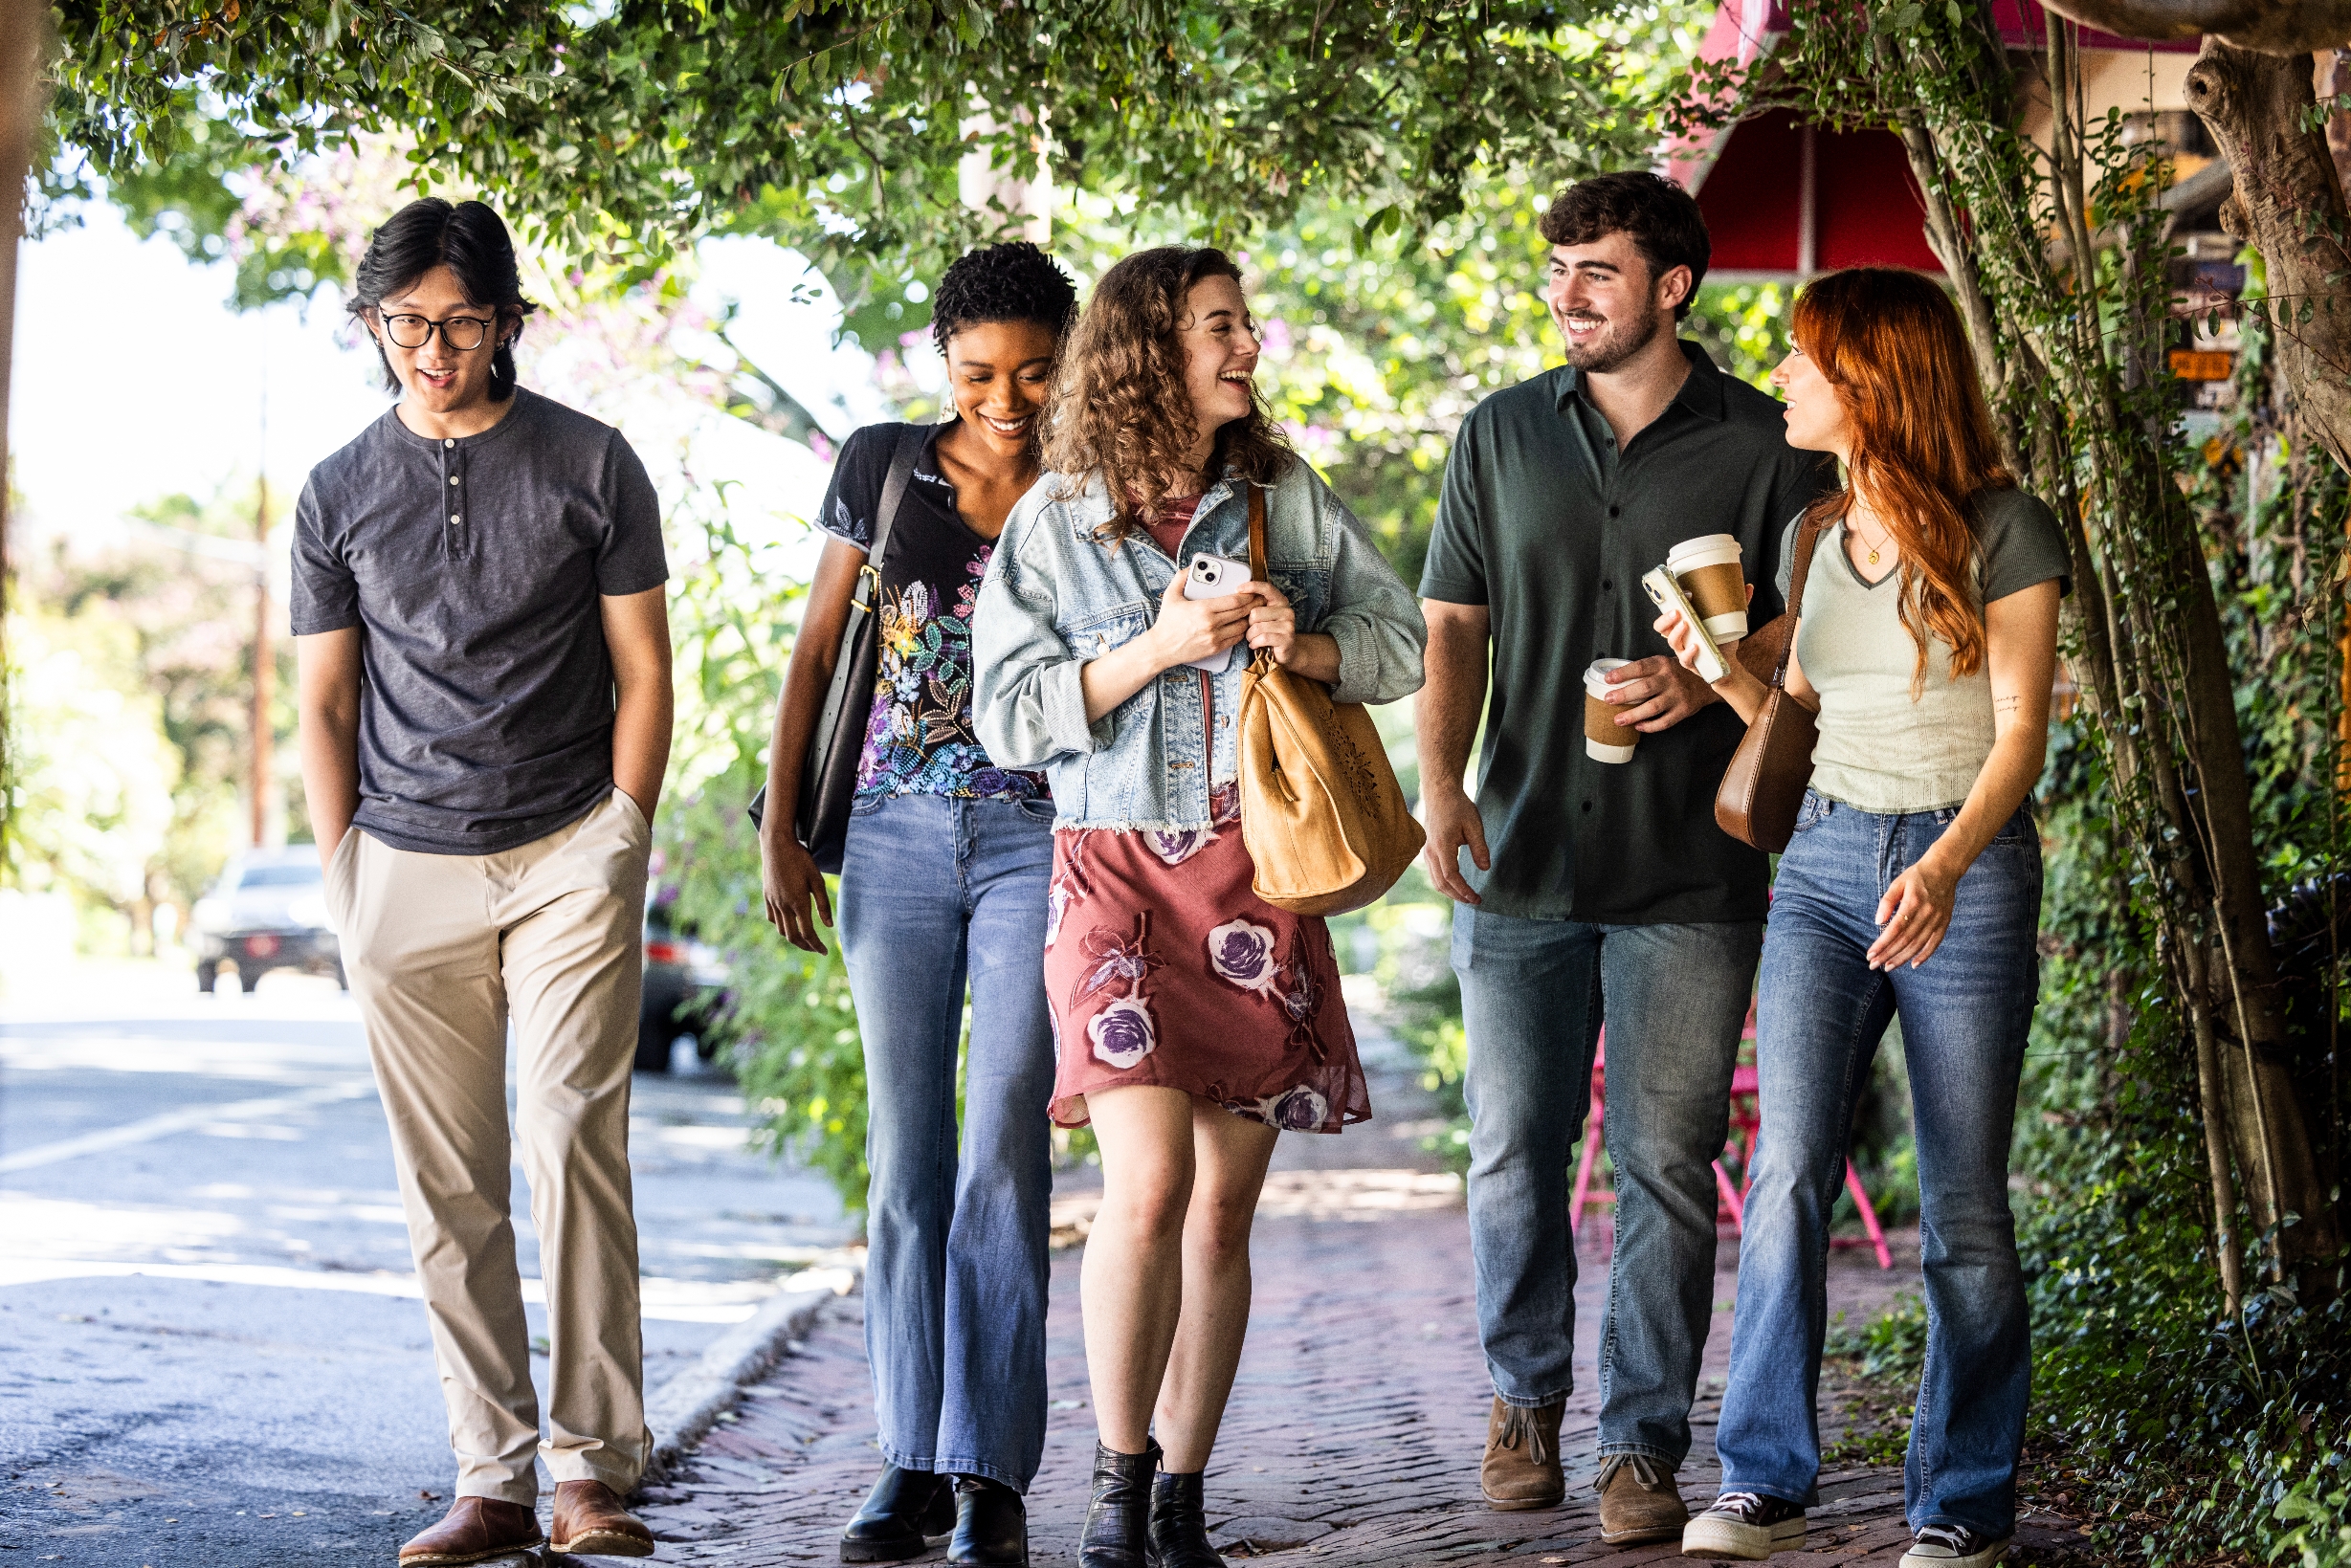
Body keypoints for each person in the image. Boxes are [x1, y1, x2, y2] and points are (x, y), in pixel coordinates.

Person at [971, 246, 1426, 1568]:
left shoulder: (1279, 493)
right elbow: (1006, 716)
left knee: (1223, 1206)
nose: (1249, 346)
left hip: (1254, 871)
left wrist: (1303, 638)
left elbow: (1399, 641)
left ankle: (1180, 1498)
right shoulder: (1055, 519)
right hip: (1113, 869)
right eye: (1221, 326)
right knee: (1151, 1180)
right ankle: (1114, 1495)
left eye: (1243, 324)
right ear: (1150, 351)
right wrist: (1159, 648)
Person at [1413, 170, 1835, 1540]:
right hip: (1522, 851)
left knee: (1663, 1162)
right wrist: (1437, 786)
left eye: (1594, 269)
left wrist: (1713, 671)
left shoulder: (1772, 447)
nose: (1566, 295)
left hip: (1689, 873)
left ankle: (1641, 1446)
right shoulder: (1496, 436)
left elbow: (1820, 624)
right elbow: (1454, 630)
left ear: (1670, 286)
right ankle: (1520, 1405)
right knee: (1512, 1155)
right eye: (1556, 271)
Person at [1659, 269, 2062, 1568]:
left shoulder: (2003, 529)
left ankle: (1961, 1505)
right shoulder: (1809, 540)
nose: (1781, 378)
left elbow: (2019, 737)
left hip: (1964, 870)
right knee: (1781, 1178)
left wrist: (1943, 866)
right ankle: (1761, 1479)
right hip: (1823, 871)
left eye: (1801, 361)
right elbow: (1791, 730)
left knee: (1962, 1207)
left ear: (1870, 381)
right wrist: (1716, 668)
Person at [292, 198, 670, 1563]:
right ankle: (492, 1477)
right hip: (402, 861)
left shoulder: (591, 462)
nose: (429, 349)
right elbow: (326, 707)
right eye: (403, 324)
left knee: (573, 1141)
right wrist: (345, 876)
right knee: (446, 1183)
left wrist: (623, 826)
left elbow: (644, 671)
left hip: (570, 844)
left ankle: (590, 1473)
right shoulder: (337, 488)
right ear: (375, 326)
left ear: (506, 321)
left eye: (456, 322)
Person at [757, 241, 1077, 1568]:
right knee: (907, 1157)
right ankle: (907, 1460)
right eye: (978, 372)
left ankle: (988, 1473)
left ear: (1065, 360)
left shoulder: (1091, 483)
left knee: (1004, 1136)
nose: (1005, 398)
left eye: (1033, 372)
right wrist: (781, 826)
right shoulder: (883, 464)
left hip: (1040, 836)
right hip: (889, 833)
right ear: (941, 365)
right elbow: (820, 643)